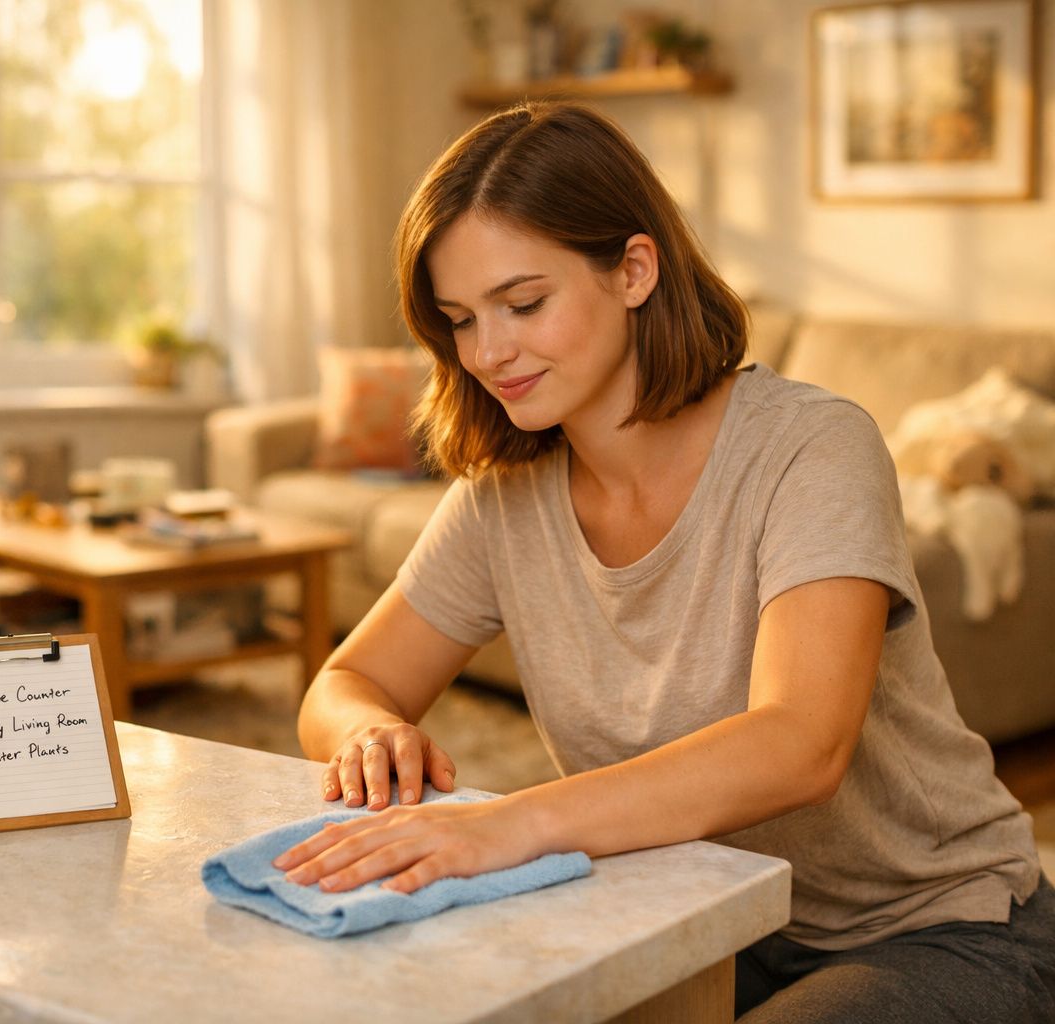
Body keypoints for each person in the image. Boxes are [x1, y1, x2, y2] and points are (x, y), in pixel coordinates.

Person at [271, 101, 1054, 1022]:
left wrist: (510, 822)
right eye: (459, 319)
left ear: (634, 270)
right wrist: (370, 733)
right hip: (698, 915)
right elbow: (347, 678)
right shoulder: (501, 501)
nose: (489, 352)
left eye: (524, 304)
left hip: (933, 926)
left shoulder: (812, 449)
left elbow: (802, 744)